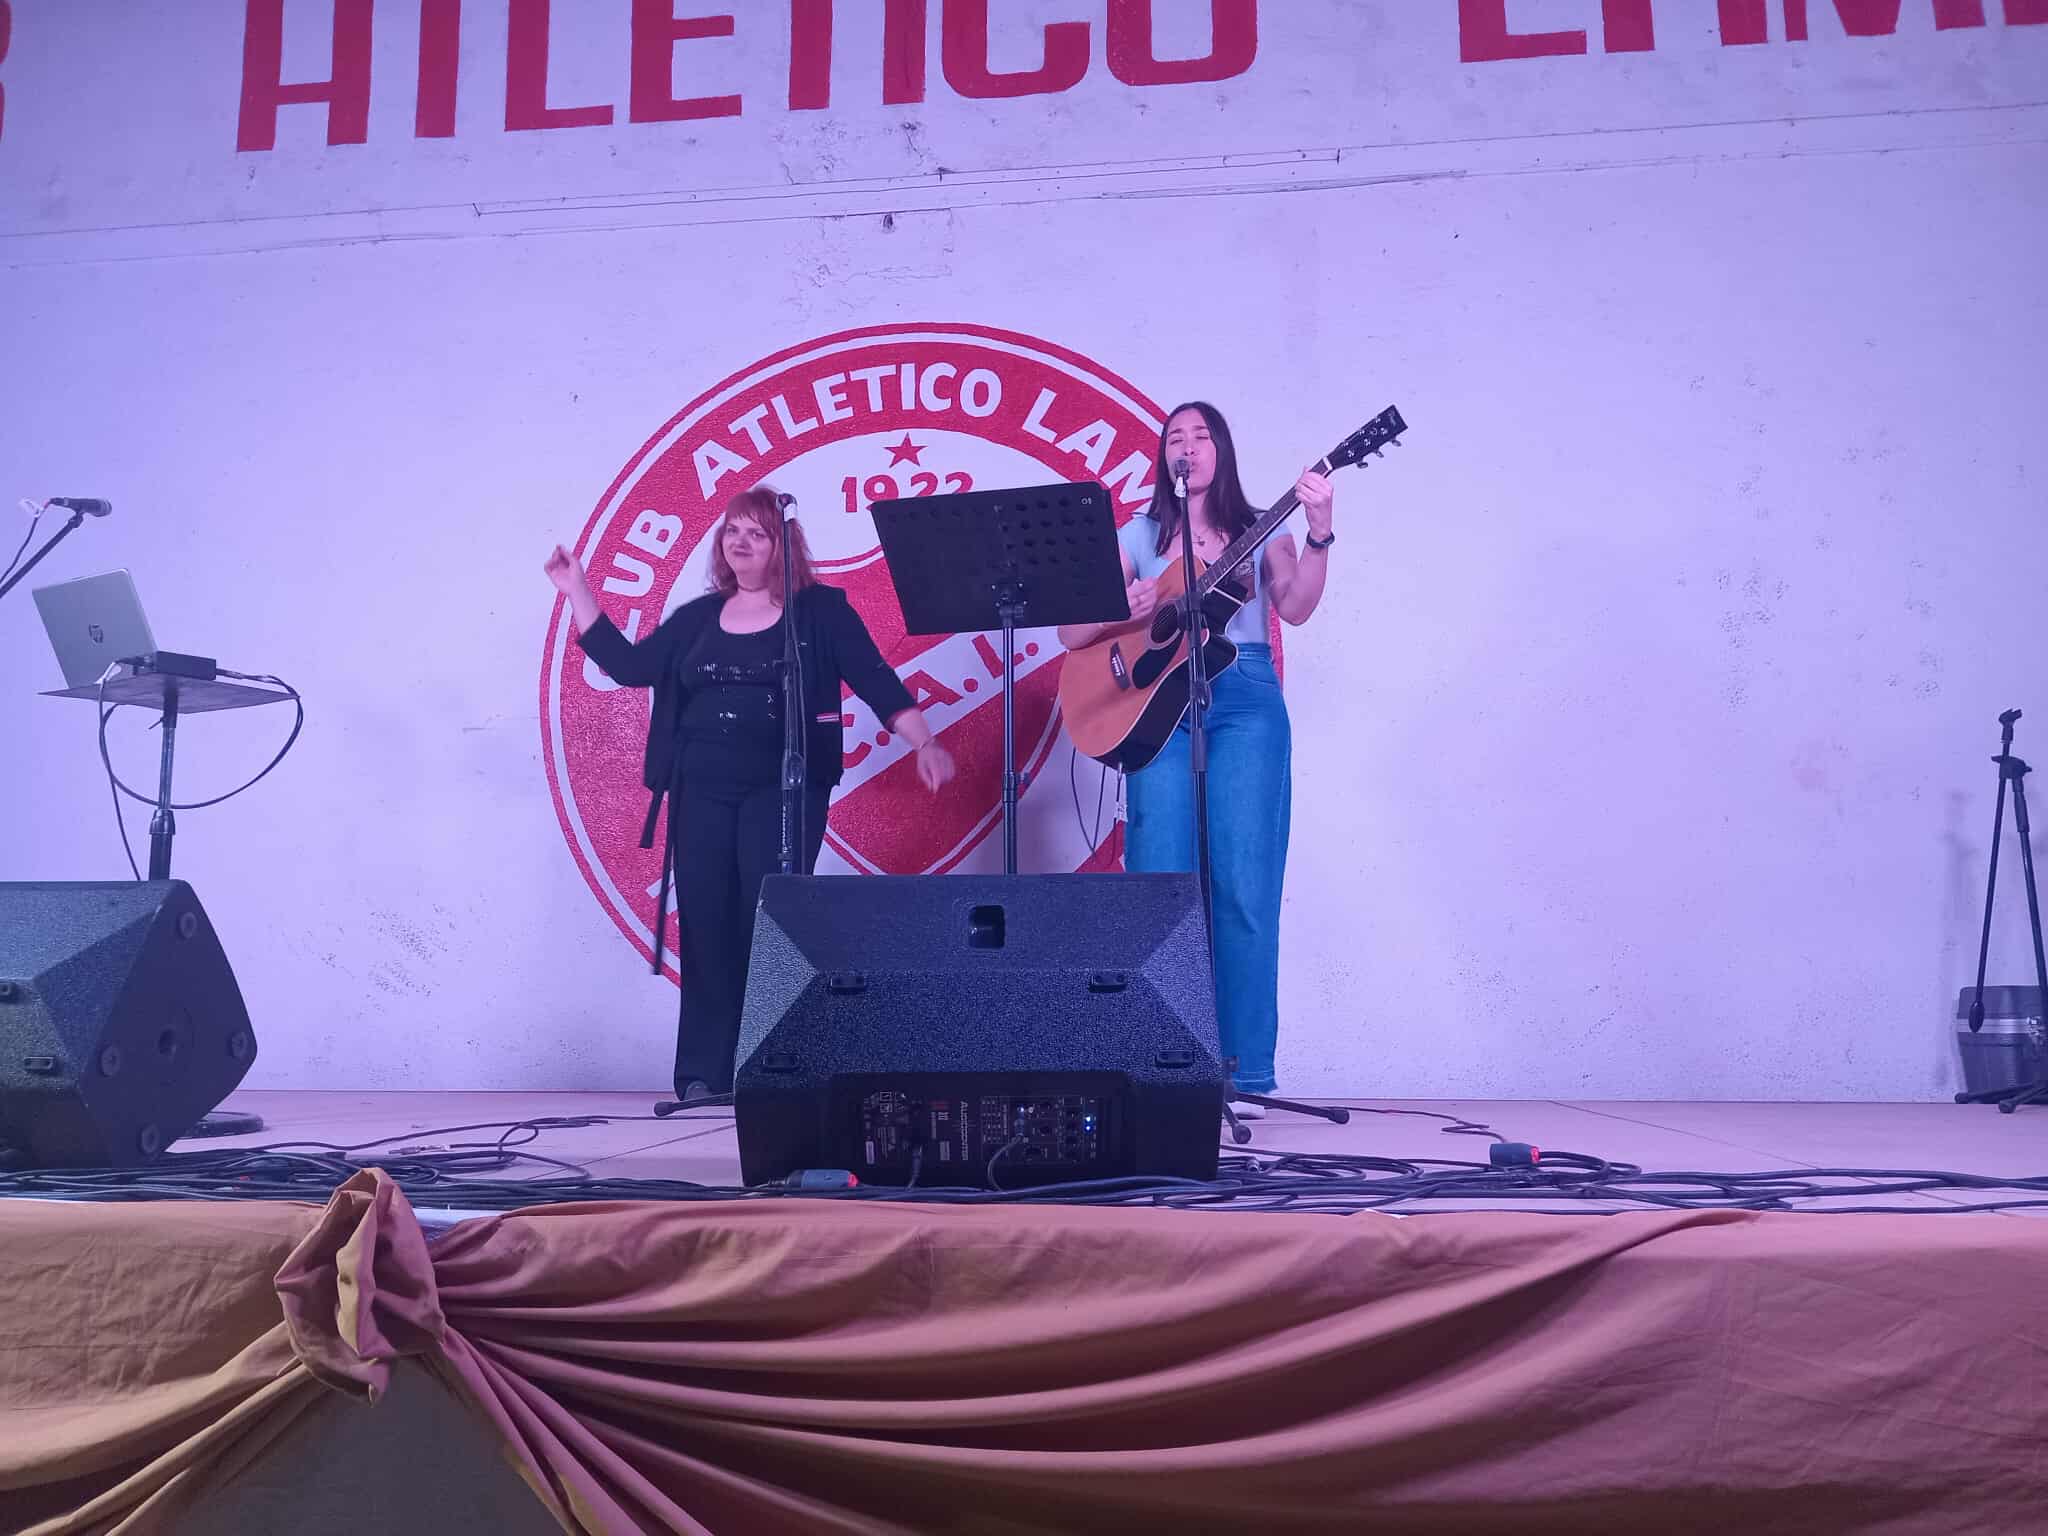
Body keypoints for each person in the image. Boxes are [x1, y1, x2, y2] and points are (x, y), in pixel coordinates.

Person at [545, 486, 956, 1101]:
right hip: (700, 791)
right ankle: (703, 1075)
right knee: (707, 924)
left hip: (783, 792)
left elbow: (876, 679)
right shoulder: (697, 619)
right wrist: (577, 588)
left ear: (781, 546)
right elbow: (629, 668)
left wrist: (924, 741)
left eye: (756, 533)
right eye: (732, 530)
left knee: (770, 927)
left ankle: (773, 1074)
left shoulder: (819, 614)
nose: (740, 542)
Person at [1056, 403, 1336, 1114]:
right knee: (1160, 881)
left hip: (1242, 698)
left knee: (1243, 883)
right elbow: (1072, 632)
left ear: (1222, 451)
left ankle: (1247, 1072)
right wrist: (1125, 608)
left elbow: (1296, 606)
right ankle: (1163, 1067)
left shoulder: (1260, 528)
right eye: (1174, 437)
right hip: (1156, 706)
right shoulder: (1139, 534)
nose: (1187, 446)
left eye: (1200, 436)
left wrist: (1319, 531)